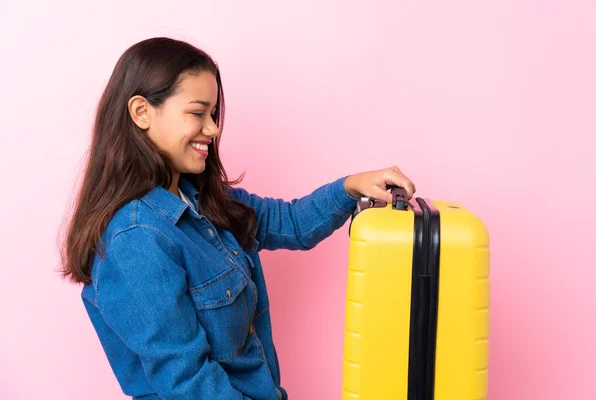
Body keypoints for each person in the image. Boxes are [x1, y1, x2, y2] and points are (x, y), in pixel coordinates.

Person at [60, 37, 415, 400]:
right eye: (198, 113)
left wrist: (352, 186)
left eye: (213, 114)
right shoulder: (136, 239)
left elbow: (290, 223)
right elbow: (189, 384)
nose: (213, 129)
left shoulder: (202, 200)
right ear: (141, 112)